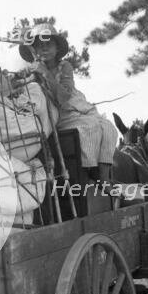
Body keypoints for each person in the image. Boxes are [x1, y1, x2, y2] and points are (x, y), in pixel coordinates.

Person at [19, 23, 118, 182]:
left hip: (77, 108)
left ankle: (104, 177)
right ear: (34, 50)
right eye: (40, 45)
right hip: (60, 115)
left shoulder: (65, 67)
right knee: (90, 128)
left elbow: (64, 96)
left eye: (49, 44)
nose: (44, 49)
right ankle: (89, 172)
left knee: (109, 128)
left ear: (57, 49)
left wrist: (46, 74)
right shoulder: (32, 69)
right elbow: (22, 81)